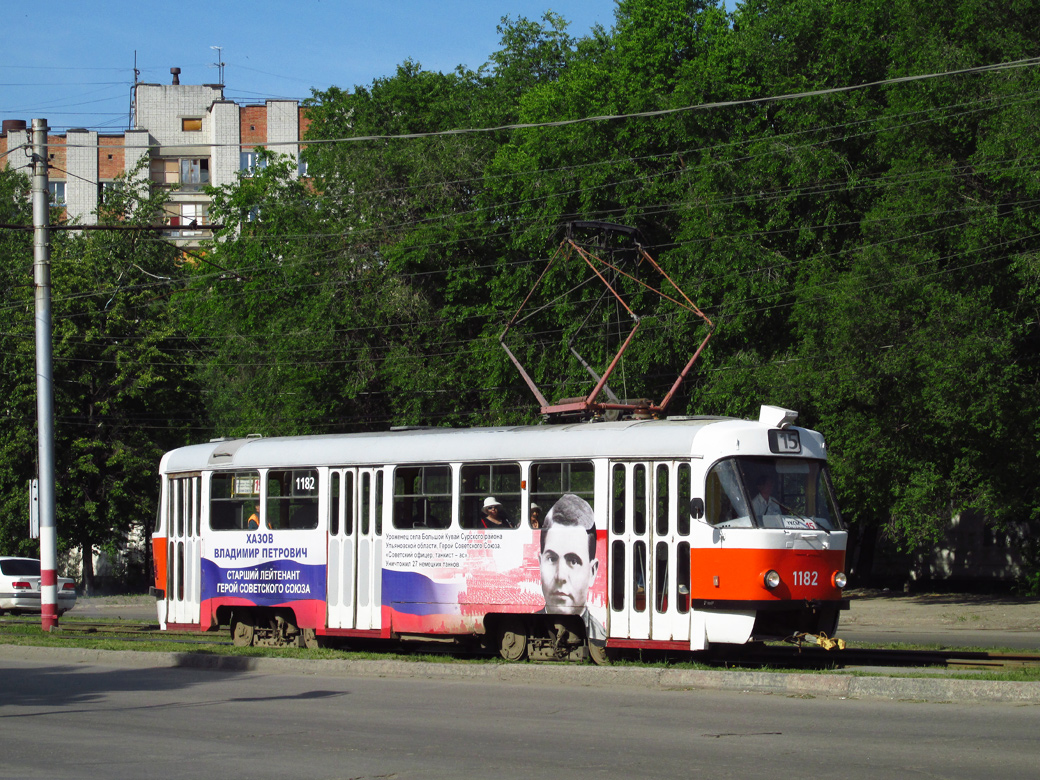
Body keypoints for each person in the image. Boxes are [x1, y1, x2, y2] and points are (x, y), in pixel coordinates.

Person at [536, 494, 605, 642]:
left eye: (573, 561)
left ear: (592, 572)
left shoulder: (601, 634)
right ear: (539, 563)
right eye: (552, 559)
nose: (560, 576)